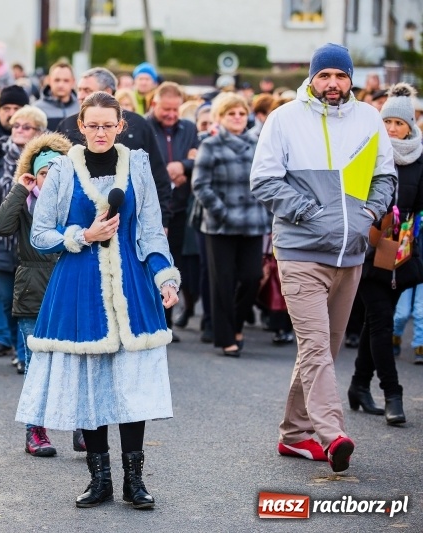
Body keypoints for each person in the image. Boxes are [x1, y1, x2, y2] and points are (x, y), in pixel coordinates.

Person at [16, 91, 180, 509]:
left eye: (109, 124)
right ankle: (99, 479)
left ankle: (134, 481)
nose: (101, 132)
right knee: (90, 386)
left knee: (131, 385)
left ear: (121, 125)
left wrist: (165, 277)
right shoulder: (63, 170)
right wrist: (83, 236)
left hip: (132, 286)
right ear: (81, 127)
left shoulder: (137, 164)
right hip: (79, 285)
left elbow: (151, 231)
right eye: (93, 125)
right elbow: (40, 233)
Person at [251, 43, 396, 472]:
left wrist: (368, 212)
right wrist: (312, 213)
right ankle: (333, 436)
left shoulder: (369, 117)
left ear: (350, 79)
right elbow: (264, 181)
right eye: (325, 75)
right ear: (312, 78)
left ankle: (294, 436)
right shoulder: (284, 119)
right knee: (315, 346)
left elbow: (385, 176)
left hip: (350, 256)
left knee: (324, 351)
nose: (333, 83)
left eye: (341, 75)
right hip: (299, 253)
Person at [0, 132, 71, 455]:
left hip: (68, 287)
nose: (49, 177)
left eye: (56, 170)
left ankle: (83, 428)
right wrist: (20, 187)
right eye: (42, 172)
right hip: (32, 289)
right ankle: (35, 432)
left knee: (76, 361)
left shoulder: (75, 200)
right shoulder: (25, 203)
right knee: (36, 365)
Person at [349, 83, 423, 426]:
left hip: (401, 252)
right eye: (387, 122)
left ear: (411, 125)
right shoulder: (368, 151)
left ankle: (358, 385)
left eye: (399, 123)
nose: (392, 129)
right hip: (366, 246)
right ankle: (393, 395)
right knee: (382, 321)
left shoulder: (420, 159)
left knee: (375, 321)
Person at [191, 93, 270, 356]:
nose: (237, 118)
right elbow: (200, 185)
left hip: (252, 222)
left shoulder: (257, 144)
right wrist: (222, 212)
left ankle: (236, 324)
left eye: (240, 113)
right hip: (220, 224)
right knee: (222, 281)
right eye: (230, 114)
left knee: (252, 277)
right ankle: (226, 337)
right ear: (220, 118)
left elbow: (267, 180)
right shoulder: (210, 145)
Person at [55, 67, 173, 228]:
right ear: (81, 127)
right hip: (80, 222)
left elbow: (157, 176)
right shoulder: (68, 125)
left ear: (108, 91)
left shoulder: (138, 125)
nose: (81, 95)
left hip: (130, 222)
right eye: (80, 89)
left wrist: (162, 222)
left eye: (87, 90)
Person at [0, 106, 47, 360]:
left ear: (38, 132)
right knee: (4, 295)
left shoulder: (46, 161)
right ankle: (4, 339)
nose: (18, 130)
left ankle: (22, 352)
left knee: (27, 299)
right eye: (16, 125)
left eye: (26, 126)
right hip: (3, 239)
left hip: (32, 242)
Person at [147, 82, 199, 336]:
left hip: (179, 208)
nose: (170, 114)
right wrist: (164, 174)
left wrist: (183, 166)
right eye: (166, 109)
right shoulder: (144, 127)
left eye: (175, 110)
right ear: (154, 104)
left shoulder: (189, 128)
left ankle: (166, 322)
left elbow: (198, 156)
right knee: (150, 264)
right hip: (150, 209)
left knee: (173, 265)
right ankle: (151, 320)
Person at [34, 61, 79, 132]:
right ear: (49, 80)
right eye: (57, 80)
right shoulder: (36, 109)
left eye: (66, 80)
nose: (61, 85)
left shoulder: (81, 107)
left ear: (73, 82)